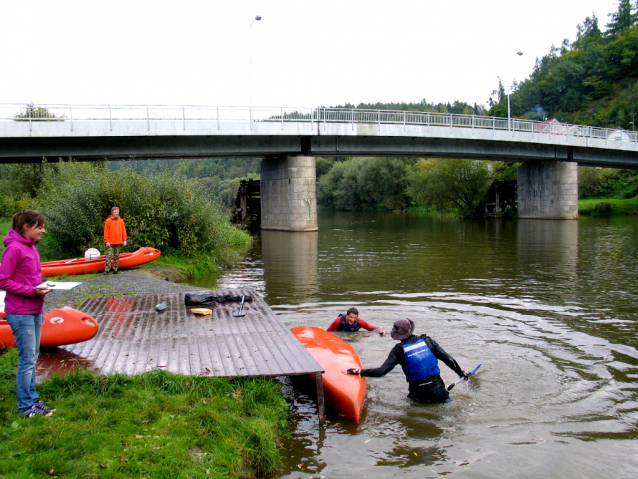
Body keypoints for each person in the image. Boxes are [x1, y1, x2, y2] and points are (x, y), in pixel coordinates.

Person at [0, 210, 55, 417]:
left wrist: (41, 289)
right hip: (19, 311)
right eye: (39, 226)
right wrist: (32, 291)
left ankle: (33, 400)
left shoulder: (31, 248)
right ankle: (25, 406)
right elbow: (3, 280)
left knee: (33, 357)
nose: (43, 230)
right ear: (26, 227)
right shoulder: (14, 249)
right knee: (28, 359)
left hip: (33, 309)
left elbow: (28, 278)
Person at [346, 318, 468, 403]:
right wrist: (461, 374)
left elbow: (381, 372)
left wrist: (360, 371)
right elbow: (449, 360)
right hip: (439, 392)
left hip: (418, 395)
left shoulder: (398, 350)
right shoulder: (427, 341)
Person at [103, 206, 127, 274]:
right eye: (115, 212)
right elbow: (106, 232)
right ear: (112, 212)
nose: (116, 213)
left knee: (116, 255)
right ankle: (107, 269)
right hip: (110, 241)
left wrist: (124, 239)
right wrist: (106, 241)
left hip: (118, 241)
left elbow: (123, 231)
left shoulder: (121, 221)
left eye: (117, 212)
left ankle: (115, 269)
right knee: (109, 255)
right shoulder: (108, 221)